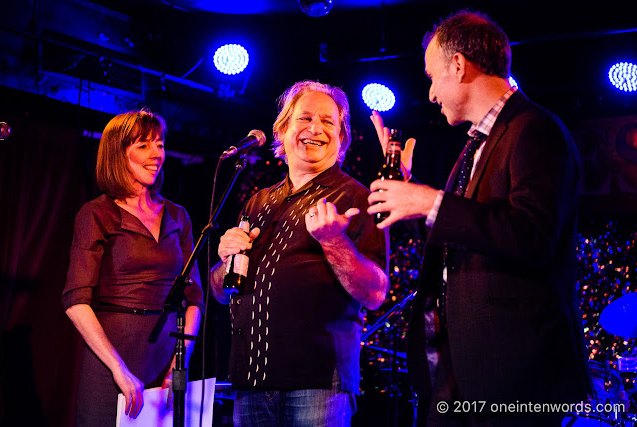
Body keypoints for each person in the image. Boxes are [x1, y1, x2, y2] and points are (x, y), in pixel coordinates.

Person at [367, 10, 592, 426]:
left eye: (433, 77)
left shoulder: (534, 130)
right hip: (463, 370)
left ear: (458, 65)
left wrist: (431, 202)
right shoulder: (478, 143)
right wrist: (406, 189)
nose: (431, 94)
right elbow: (463, 232)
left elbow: (532, 238)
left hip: (516, 377)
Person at [209, 80, 389, 426]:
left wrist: (335, 242)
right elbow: (219, 292)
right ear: (283, 129)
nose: (315, 129)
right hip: (251, 380)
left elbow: (376, 293)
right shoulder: (258, 201)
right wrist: (225, 261)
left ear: (342, 138)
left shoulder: (357, 198)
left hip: (319, 382)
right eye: (305, 119)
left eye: (327, 122)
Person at [62, 109, 204, 426]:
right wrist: (118, 368)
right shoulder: (97, 213)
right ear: (118, 152)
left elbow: (195, 298)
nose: (157, 154)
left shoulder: (178, 216)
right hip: (111, 359)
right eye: (143, 145)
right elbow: (75, 301)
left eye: (160, 145)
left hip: (167, 358)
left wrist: (178, 364)